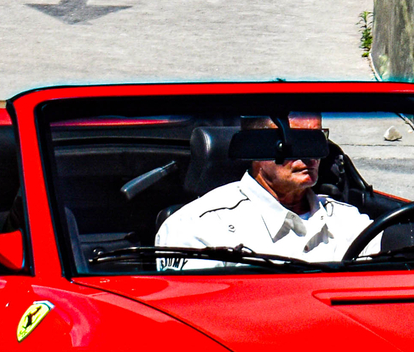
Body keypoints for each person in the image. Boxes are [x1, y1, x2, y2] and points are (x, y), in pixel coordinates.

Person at [154, 113, 372, 264]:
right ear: (256, 148)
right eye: (294, 141)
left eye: (316, 139)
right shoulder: (199, 228)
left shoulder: (349, 221)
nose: (311, 154)